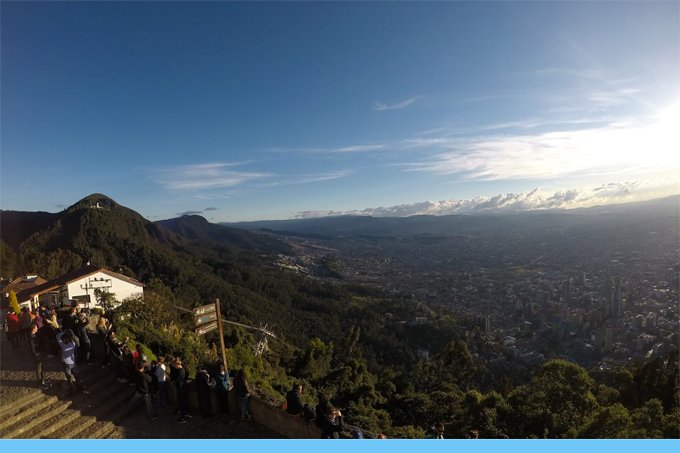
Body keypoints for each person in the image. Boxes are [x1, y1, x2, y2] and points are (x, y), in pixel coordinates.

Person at [29, 322, 49, 389]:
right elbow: (32, 348)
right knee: (38, 369)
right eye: (36, 327)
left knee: (41, 367)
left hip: (39, 354)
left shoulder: (34, 335)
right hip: (37, 355)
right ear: (33, 328)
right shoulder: (31, 337)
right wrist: (36, 355)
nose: (37, 328)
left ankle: (43, 380)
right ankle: (40, 383)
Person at [171, 358, 191, 422]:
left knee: (182, 402)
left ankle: (183, 417)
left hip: (181, 388)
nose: (174, 367)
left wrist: (174, 382)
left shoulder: (181, 370)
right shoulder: (183, 369)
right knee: (184, 401)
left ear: (177, 364)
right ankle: (186, 414)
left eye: (175, 365)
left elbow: (178, 379)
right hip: (183, 388)